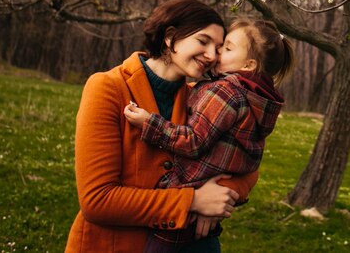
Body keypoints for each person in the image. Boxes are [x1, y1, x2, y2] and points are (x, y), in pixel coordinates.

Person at [65, 0, 259, 253]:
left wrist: (221, 196)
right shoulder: (107, 88)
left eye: (219, 48)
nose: (212, 55)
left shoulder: (203, 98)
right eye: (203, 41)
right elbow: (97, 200)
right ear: (170, 37)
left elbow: (247, 165)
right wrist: (194, 201)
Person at [124, 17, 295, 253]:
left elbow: (193, 141)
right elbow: (249, 160)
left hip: (181, 201)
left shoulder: (226, 92)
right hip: (204, 216)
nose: (215, 54)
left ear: (248, 65)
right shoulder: (259, 102)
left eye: (226, 48)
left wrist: (149, 124)